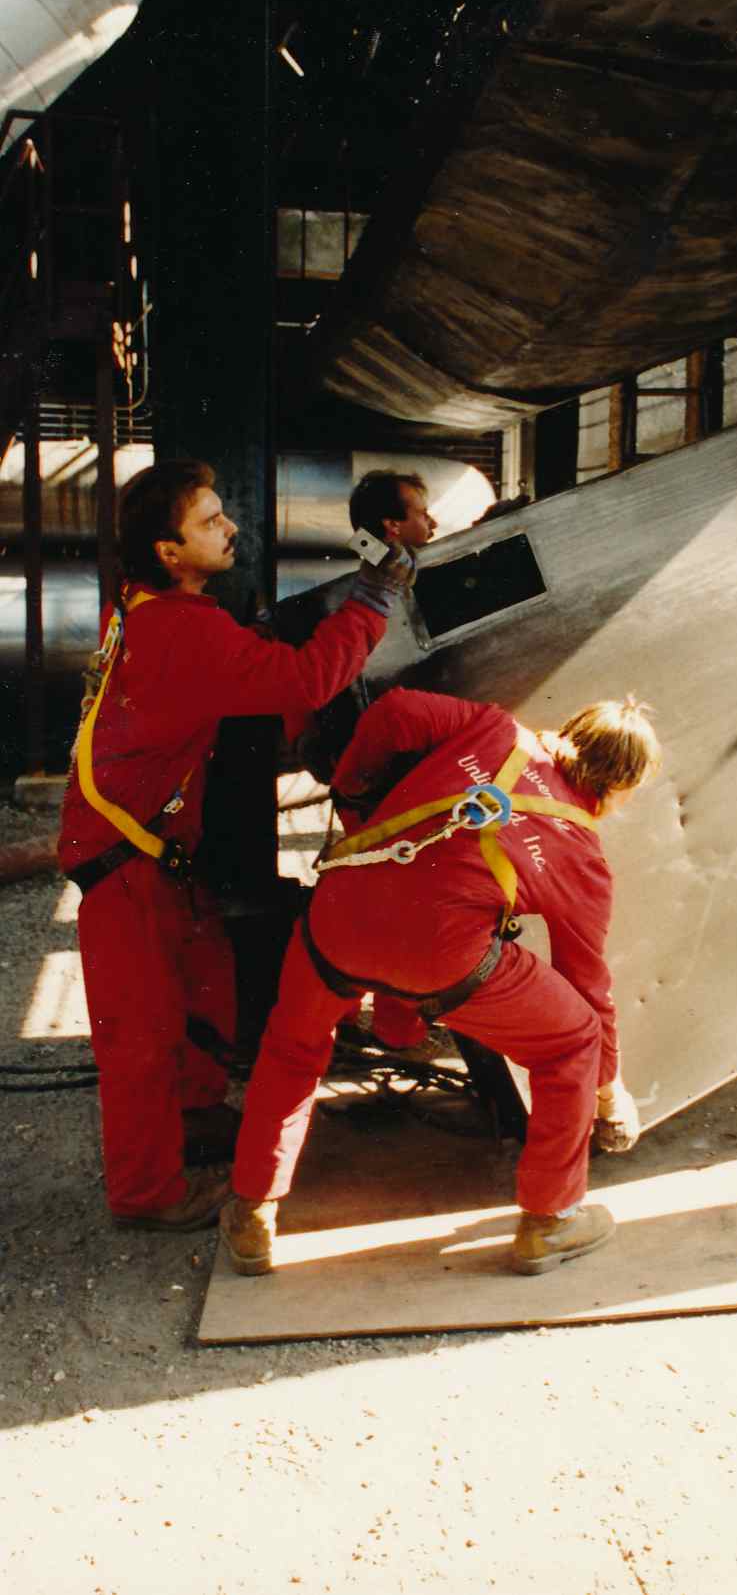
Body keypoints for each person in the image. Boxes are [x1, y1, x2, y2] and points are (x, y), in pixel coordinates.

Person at [58, 459, 416, 1232]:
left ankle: (189, 1118)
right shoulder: (181, 628)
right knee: (141, 1033)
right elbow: (306, 681)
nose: (231, 527)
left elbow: (210, 674)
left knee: (205, 978)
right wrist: (374, 599)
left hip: (149, 847)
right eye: (211, 520)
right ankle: (146, 1194)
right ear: (169, 552)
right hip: (126, 860)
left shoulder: (149, 608)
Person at [221, 686, 661, 1277]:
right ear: (616, 789)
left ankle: (252, 1213)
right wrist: (609, 1091)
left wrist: (354, 794)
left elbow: (397, 711)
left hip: (338, 916)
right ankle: (550, 1221)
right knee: (572, 1040)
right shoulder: (581, 853)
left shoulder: (494, 728)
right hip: (436, 961)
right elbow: (588, 987)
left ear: (571, 730)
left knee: (293, 1050)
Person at [276, 469, 438, 785]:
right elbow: (377, 551)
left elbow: (365, 541)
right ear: (392, 526)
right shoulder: (387, 565)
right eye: (423, 514)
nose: (433, 523)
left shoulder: (379, 555)